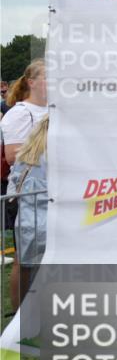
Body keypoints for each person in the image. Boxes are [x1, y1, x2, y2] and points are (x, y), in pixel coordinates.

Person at [8, 115, 48, 310]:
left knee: (22, 266)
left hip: (25, 222)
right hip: (50, 222)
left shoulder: (25, 155)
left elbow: (12, 191)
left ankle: (19, 316)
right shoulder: (57, 156)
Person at [2, 59, 47, 232]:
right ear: (31, 82)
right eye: (47, 77)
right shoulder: (20, 113)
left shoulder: (55, 109)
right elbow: (13, 156)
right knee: (28, 250)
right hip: (27, 193)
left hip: (50, 188)